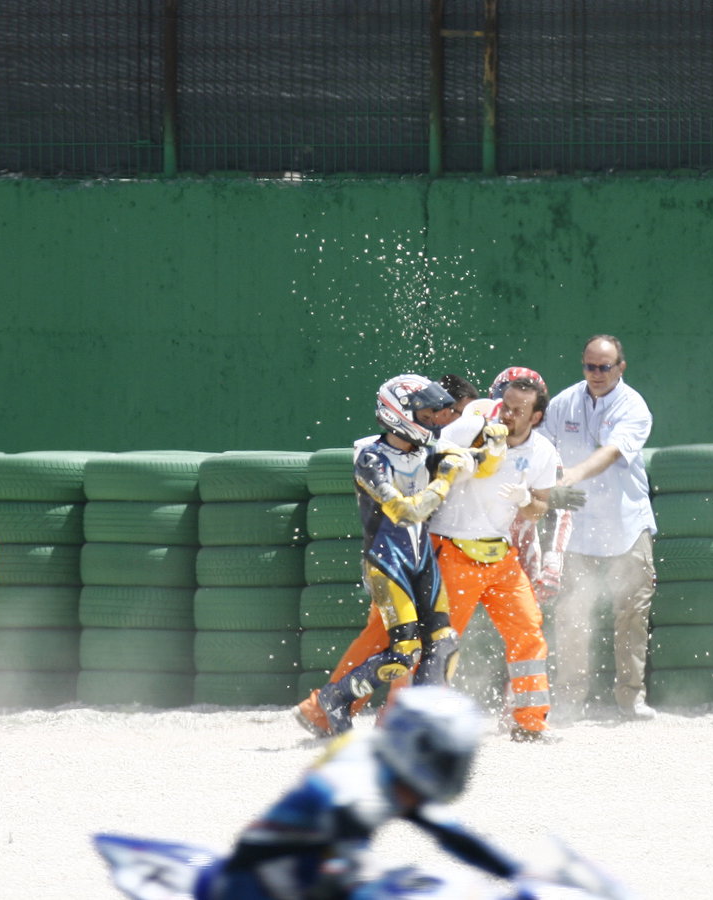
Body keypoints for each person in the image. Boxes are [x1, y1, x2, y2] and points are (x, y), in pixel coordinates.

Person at [300, 373, 560, 742]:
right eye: (504, 405)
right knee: (417, 643)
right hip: (447, 549)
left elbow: (540, 507)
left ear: (535, 417)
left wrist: (526, 501)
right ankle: (379, 721)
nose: (507, 414)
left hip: (501, 554)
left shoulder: (544, 452)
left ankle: (530, 721)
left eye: (518, 410)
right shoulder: (466, 427)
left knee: (528, 633)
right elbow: (425, 459)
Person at [295, 375, 482, 737]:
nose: (434, 421)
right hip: (386, 562)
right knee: (404, 653)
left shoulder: (428, 451)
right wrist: (444, 478)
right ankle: (336, 697)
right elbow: (405, 512)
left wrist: (492, 443)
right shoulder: (371, 458)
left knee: (444, 643)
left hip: (421, 556)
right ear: (399, 414)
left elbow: (481, 463)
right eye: (426, 413)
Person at [212, 686, 524, 899]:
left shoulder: (387, 765)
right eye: (446, 762)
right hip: (258, 887)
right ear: (416, 748)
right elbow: (349, 873)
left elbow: (451, 834)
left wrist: (522, 873)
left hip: (311, 878)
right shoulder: (356, 792)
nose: (452, 772)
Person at [538, 335, 657, 721]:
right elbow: (540, 449)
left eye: (605, 367)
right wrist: (542, 488)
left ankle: (631, 699)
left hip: (627, 522)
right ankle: (571, 698)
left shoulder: (634, 406)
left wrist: (570, 475)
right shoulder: (563, 403)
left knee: (632, 614)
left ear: (621, 367)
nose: (596, 374)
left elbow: (610, 452)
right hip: (577, 524)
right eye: (590, 366)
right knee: (573, 612)